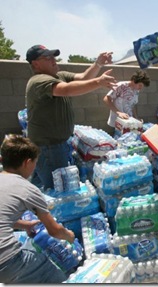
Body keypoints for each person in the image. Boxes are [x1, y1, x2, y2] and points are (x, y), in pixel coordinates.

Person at [25, 45, 117, 191]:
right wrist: (98, 82)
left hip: (57, 144)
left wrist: (98, 63)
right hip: (49, 147)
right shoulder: (38, 81)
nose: (53, 60)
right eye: (47, 58)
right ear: (35, 64)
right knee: (57, 190)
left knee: (45, 187)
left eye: (53, 57)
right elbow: (67, 90)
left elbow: (83, 78)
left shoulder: (58, 76)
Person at [0, 134, 75, 283]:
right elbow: (55, 231)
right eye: (35, 162)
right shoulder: (28, 189)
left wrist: (25, 225)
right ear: (27, 162)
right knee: (51, 272)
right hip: (7, 261)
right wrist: (69, 236)